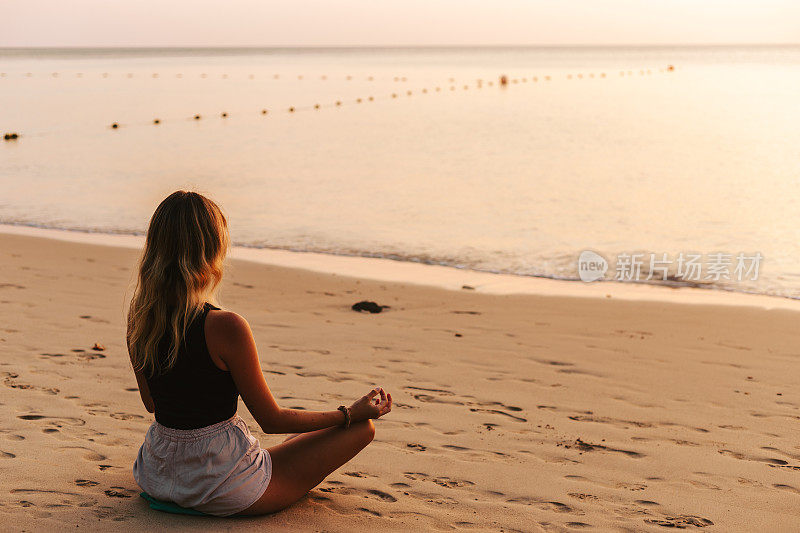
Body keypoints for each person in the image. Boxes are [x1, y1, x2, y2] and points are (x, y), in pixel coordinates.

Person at [127, 190, 392, 517]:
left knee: (296, 440)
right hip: (222, 485)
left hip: (157, 473)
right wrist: (350, 412)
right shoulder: (226, 326)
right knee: (360, 429)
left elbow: (152, 403)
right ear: (210, 251)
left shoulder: (140, 316)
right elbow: (271, 420)